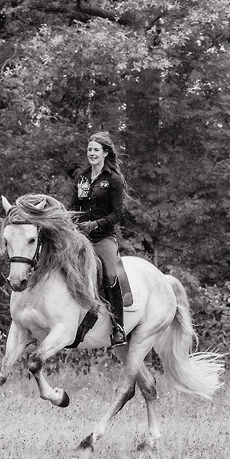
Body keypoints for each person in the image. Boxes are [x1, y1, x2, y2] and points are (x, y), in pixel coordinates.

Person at [70, 130, 127, 346]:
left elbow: (118, 213)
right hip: (80, 236)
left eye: (96, 150)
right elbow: (74, 206)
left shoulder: (114, 180)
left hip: (103, 237)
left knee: (110, 275)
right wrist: (72, 224)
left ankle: (118, 327)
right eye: (89, 150)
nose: (91, 153)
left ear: (105, 153)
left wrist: (95, 224)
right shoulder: (82, 178)